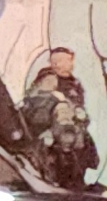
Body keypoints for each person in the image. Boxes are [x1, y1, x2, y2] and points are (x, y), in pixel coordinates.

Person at [20, 47, 97, 191]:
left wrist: (79, 116)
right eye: (53, 61)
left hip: (72, 129)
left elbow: (79, 108)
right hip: (51, 133)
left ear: (71, 61)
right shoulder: (46, 81)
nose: (56, 64)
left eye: (61, 60)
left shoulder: (75, 84)